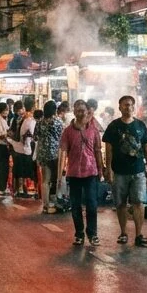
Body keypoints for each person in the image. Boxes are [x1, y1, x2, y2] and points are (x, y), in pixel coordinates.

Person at [103, 95, 147, 247]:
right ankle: (123, 233)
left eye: (131, 105)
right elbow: (108, 149)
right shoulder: (113, 126)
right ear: (119, 107)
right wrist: (109, 169)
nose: (128, 107)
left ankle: (139, 234)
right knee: (120, 203)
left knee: (139, 203)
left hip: (138, 171)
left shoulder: (140, 125)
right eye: (125, 105)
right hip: (119, 171)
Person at [59, 100, 103, 246]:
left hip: (91, 172)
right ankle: (79, 234)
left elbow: (98, 151)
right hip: (73, 173)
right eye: (77, 110)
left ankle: (92, 233)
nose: (80, 112)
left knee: (92, 204)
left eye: (82, 110)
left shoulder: (93, 130)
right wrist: (60, 175)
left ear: (87, 111)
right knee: (75, 204)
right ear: (74, 111)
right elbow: (63, 152)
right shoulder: (67, 131)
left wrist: (101, 169)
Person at [34, 101, 65, 213]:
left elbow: (35, 137)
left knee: (45, 180)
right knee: (56, 179)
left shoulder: (40, 122)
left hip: (42, 153)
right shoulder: (58, 122)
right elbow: (62, 137)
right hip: (55, 153)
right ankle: (55, 202)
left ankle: (45, 205)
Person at [10, 100, 38, 199]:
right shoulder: (31, 119)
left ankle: (20, 189)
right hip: (26, 148)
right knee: (26, 170)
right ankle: (25, 190)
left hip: (18, 147)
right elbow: (30, 134)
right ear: (34, 107)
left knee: (19, 169)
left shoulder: (21, 118)